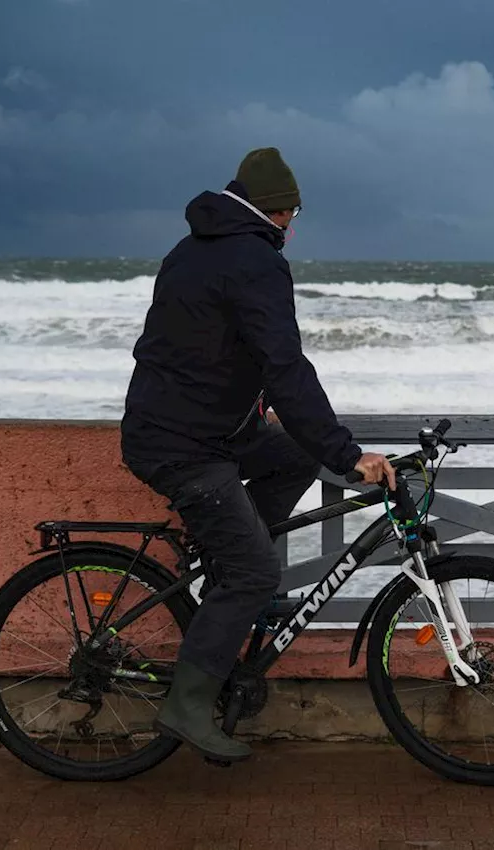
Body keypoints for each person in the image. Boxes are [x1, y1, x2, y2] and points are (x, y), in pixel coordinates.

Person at [119, 147, 396, 762]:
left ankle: (228, 560)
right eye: (293, 216)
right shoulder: (257, 261)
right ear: (283, 213)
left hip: (195, 424)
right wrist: (348, 454)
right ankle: (188, 708)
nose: (292, 228)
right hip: (185, 444)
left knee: (294, 456)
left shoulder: (190, 249)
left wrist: (278, 414)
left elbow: (211, 342)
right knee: (254, 573)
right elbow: (286, 363)